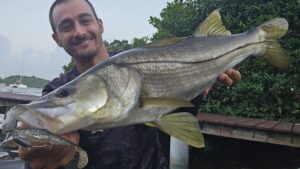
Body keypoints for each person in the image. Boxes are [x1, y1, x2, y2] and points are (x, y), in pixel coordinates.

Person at [19, 0, 241, 169]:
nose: (79, 31)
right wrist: (53, 156)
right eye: (66, 26)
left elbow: (179, 115)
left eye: (85, 20)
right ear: (56, 38)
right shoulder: (54, 90)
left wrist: (202, 83)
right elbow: (38, 156)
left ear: (100, 25)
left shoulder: (137, 61)